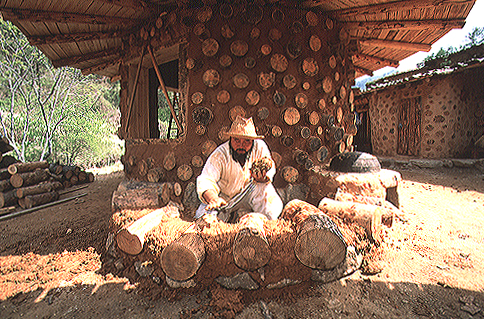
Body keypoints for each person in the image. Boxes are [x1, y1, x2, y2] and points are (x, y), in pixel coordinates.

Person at [195, 116, 283, 222]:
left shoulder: (259, 147)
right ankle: (230, 216)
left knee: (266, 193)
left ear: (253, 141)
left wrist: (263, 178)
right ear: (230, 139)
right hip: (223, 199)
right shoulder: (220, 155)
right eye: (236, 140)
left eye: (246, 141)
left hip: (248, 192)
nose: (241, 145)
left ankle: (268, 223)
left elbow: (270, 168)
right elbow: (206, 180)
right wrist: (213, 198)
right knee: (204, 220)